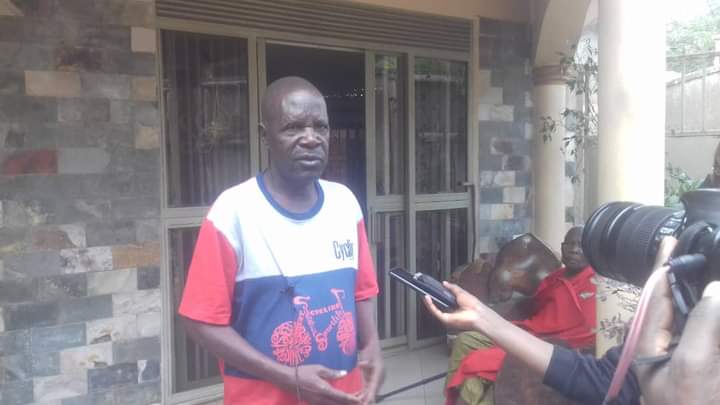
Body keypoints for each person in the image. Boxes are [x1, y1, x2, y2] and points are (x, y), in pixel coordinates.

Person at [178, 77, 384, 405]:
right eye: (293, 128)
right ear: (265, 136)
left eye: (321, 127)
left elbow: (361, 292)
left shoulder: (345, 204)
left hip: (346, 396)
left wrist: (372, 345)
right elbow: (199, 320)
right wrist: (286, 376)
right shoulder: (233, 212)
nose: (311, 139)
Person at [444, 226, 596, 405]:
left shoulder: (594, 286)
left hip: (548, 348)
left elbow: (585, 335)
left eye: (580, 245)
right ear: (562, 247)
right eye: (569, 244)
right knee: (466, 340)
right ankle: (452, 397)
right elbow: (535, 306)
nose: (574, 249)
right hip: (527, 331)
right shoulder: (556, 277)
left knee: (477, 365)